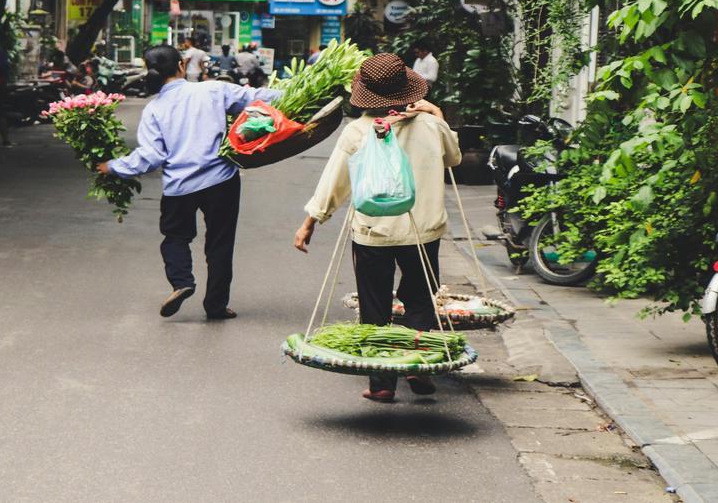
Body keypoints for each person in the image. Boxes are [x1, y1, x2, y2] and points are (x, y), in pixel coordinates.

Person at [292, 53, 461, 403]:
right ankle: (417, 362)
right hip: (423, 231)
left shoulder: (357, 131)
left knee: (375, 307)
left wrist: (312, 220)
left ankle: (382, 383)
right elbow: (454, 158)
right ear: (408, 90)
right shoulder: (431, 127)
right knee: (418, 301)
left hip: (373, 232)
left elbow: (334, 182)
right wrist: (438, 116)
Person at [98, 45, 281, 320]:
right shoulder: (214, 90)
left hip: (179, 186)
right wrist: (304, 94)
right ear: (182, 65)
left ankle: (181, 281)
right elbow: (259, 98)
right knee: (220, 244)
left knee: (175, 238)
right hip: (221, 181)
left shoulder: (154, 109)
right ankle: (216, 306)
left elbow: (151, 156)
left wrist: (113, 167)